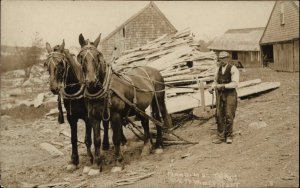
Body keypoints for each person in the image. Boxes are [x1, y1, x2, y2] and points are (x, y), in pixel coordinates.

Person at [209, 51, 239, 144]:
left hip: (230, 94)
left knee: (229, 115)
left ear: (228, 59)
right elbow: (215, 81)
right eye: (220, 59)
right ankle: (221, 137)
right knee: (219, 115)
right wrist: (212, 87)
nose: (222, 60)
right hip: (220, 95)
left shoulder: (233, 69)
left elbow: (235, 84)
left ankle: (229, 136)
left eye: (224, 58)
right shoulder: (217, 69)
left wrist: (223, 86)